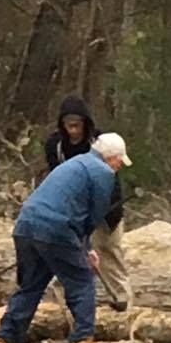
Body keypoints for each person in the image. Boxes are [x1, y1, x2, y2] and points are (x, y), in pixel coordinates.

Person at [0, 132, 132, 343]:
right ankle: (83, 339)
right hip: (56, 228)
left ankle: (6, 336)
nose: (119, 166)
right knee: (81, 281)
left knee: (31, 284)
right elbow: (93, 215)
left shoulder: (75, 164)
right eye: (120, 161)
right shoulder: (102, 172)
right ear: (112, 157)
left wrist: (84, 246)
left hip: (25, 225)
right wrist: (86, 247)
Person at [44, 95, 132, 312]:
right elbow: (56, 179)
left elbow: (111, 183)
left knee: (109, 253)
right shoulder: (55, 146)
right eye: (68, 125)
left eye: (77, 125)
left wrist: (105, 218)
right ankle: (59, 308)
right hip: (72, 209)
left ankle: (123, 306)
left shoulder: (102, 143)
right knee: (68, 255)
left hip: (106, 209)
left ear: (85, 122)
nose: (73, 130)